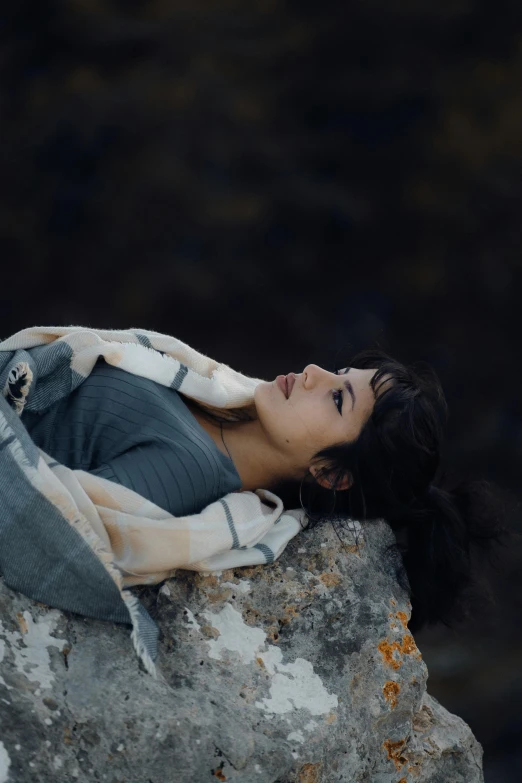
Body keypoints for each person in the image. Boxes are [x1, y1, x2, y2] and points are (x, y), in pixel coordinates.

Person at [20, 344, 509, 635]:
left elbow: (42, 514)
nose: (315, 373)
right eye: (339, 373)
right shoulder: (218, 393)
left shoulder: (187, 470)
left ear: (331, 474)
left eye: (338, 398)